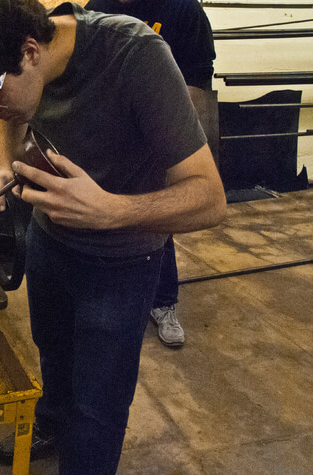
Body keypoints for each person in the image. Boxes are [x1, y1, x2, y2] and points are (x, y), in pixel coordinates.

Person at [0, 0, 226, 472]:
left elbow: (210, 199)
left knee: (96, 412)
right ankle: (50, 424)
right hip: (51, 241)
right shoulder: (20, 68)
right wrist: (3, 163)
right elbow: (9, 111)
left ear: (29, 52)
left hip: (122, 263)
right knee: (54, 354)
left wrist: (111, 210)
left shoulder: (134, 56)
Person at [84, 0, 217, 348]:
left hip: (160, 130)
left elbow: (197, 83)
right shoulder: (97, 6)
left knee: (157, 217)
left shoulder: (182, 11)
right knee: (106, 212)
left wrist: (169, 135)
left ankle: (163, 302)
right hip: (111, 132)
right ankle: (106, 294)